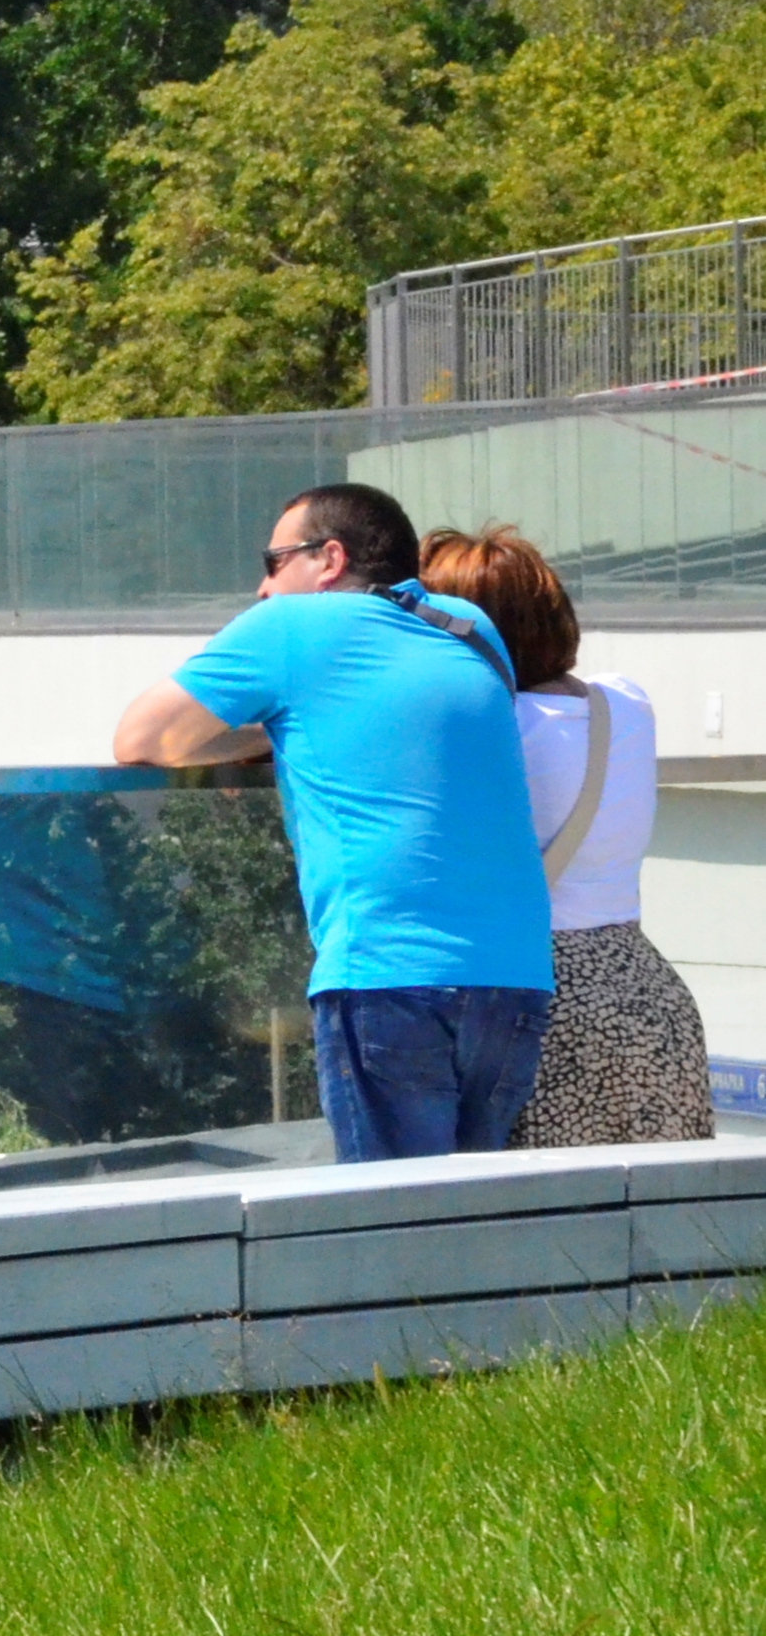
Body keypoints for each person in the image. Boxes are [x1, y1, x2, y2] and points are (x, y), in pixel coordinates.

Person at [110, 481, 550, 1160]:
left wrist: (264, 730)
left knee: (391, 1233)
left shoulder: (289, 628)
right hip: (512, 980)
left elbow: (139, 739)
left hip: (388, 975)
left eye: (272, 561)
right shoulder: (470, 626)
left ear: (329, 559)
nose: (261, 587)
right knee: (469, 1227)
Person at [420, 526, 717, 1147]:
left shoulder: (484, 728)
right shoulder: (624, 703)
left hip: (541, 1000)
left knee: (548, 1221)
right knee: (660, 1221)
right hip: (645, 990)